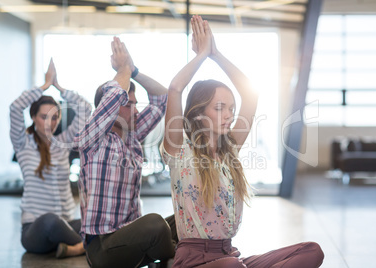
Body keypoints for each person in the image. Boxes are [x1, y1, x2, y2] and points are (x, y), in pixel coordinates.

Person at [161, 15, 325, 268]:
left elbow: (251, 93)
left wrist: (216, 53)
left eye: (231, 108)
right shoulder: (179, 151)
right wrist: (201, 55)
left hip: (230, 256)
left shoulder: (229, 150)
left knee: (311, 251)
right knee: (234, 267)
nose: (229, 114)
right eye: (220, 108)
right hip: (194, 260)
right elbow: (174, 88)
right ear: (198, 114)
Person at [73, 37, 177, 268]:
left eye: (135, 104)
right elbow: (111, 95)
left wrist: (134, 70)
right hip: (102, 247)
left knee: (184, 219)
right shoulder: (93, 138)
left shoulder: (132, 136)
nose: (136, 109)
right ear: (111, 109)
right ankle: (172, 259)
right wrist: (123, 69)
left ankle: (167, 256)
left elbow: (162, 98)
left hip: (128, 237)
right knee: (155, 224)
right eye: (129, 103)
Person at [10, 59, 92, 258]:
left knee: (92, 222)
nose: (50, 122)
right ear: (33, 117)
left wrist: (60, 88)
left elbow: (85, 109)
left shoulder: (63, 142)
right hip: (35, 231)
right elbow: (14, 108)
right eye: (43, 116)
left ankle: (75, 247)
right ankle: (86, 247)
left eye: (54, 117)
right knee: (50, 221)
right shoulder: (23, 142)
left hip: (65, 224)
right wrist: (45, 86)